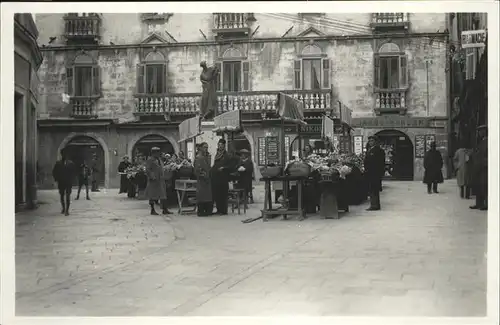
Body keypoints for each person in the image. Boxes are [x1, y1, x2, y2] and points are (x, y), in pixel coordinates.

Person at [144, 147, 170, 215]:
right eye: (157, 152)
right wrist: (152, 177)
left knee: (163, 195)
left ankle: (165, 209)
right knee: (152, 195)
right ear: (153, 153)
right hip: (154, 180)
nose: (158, 154)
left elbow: (161, 168)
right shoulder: (150, 160)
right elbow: (148, 170)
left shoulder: (159, 159)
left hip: (161, 180)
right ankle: (152, 210)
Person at [363, 135, 385, 211]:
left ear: (375, 142)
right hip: (370, 173)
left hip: (374, 173)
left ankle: (375, 205)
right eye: (369, 141)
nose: (370, 142)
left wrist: (379, 173)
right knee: (372, 189)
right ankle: (374, 204)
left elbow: (380, 163)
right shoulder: (370, 150)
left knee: (374, 189)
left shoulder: (378, 150)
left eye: (372, 141)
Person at [52, 148, 76, 216]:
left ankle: (67, 210)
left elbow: (73, 172)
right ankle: (63, 208)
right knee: (62, 195)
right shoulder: (58, 163)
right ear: (61, 154)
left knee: (68, 196)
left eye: (65, 154)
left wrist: (72, 180)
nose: (64, 155)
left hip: (68, 182)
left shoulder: (71, 163)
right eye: (63, 154)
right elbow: (54, 172)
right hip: (61, 182)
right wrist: (56, 179)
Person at [211, 138, 232, 215]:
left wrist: (224, 168)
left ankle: (223, 210)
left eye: (221, 145)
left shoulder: (227, 155)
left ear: (224, 146)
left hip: (223, 177)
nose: (220, 146)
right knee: (217, 194)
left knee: (223, 194)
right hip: (216, 177)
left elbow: (231, 166)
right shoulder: (216, 154)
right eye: (219, 145)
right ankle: (218, 209)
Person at [470, 125, 488, 210]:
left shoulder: (488, 141)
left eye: (481, 131)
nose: (479, 133)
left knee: (484, 185)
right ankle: (478, 203)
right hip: (477, 167)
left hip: (484, 168)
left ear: (485, 131)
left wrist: (483, 163)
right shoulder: (480, 142)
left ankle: (486, 204)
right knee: (477, 185)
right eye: (479, 131)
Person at [194, 142, 213, 216]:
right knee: (202, 196)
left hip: (207, 179)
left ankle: (208, 210)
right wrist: (203, 175)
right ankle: (201, 211)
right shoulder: (199, 157)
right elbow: (197, 169)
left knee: (207, 196)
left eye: (207, 147)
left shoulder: (206, 156)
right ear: (201, 148)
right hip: (202, 180)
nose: (206, 149)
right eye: (205, 147)